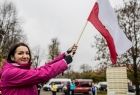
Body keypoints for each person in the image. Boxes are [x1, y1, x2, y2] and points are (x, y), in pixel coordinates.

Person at [0, 42, 77, 95]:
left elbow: (44, 68)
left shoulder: (25, 70)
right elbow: (42, 74)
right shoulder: (10, 72)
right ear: (12, 57)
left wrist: (65, 54)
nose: (25, 56)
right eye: (20, 53)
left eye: (27, 53)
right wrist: (65, 62)